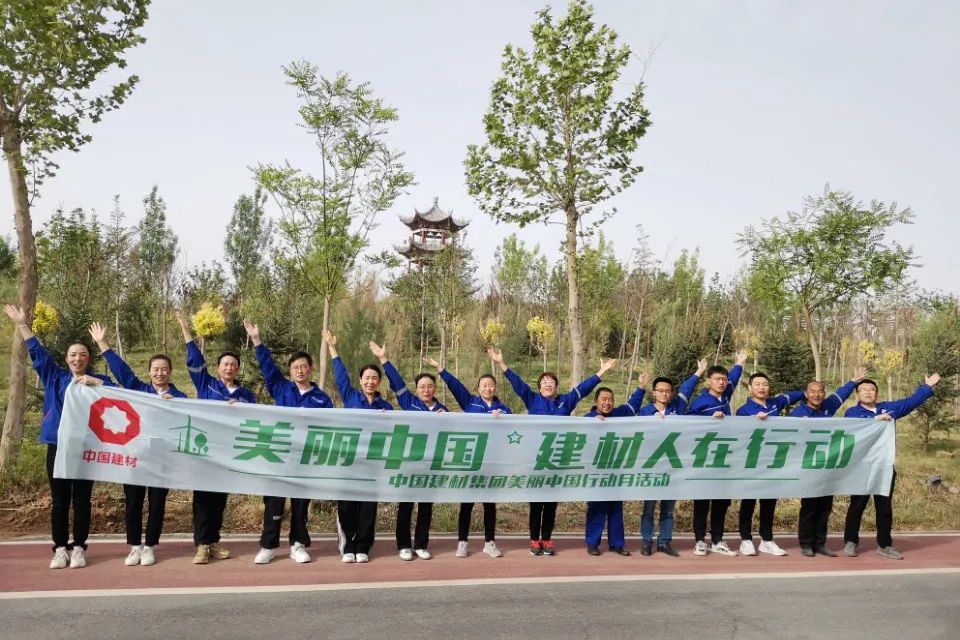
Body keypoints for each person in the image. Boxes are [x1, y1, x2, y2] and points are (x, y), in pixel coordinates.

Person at [4, 305, 115, 569]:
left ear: (88, 359)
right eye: (73, 355)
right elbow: (38, 354)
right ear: (66, 359)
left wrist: (97, 382)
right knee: (59, 501)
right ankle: (60, 549)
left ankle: (79, 548)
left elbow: (119, 393)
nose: (78, 359)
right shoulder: (56, 377)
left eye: (83, 355)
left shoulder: (97, 381)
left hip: (86, 448)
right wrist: (22, 324)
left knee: (82, 500)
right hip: (58, 446)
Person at [488, 348, 617, 557]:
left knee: (550, 505)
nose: (548, 384)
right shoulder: (532, 399)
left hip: (557, 462)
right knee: (536, 505)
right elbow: (517, 383)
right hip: (536, 462)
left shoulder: (565, 401)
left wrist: (601, 372)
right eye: (544, 382)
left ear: (556, 386)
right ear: (539, 387)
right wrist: (501, 363)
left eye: (551, 382)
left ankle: (547, 539)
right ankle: (534, 540)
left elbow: (583, 389)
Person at [89, 322, 187, 567]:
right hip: (134, 457)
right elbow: (122, 373)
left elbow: (194, 418)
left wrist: (176, 406)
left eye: (164, 369)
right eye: (156, 369)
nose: (160, 373)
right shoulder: (139, 390)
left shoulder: (180, 398)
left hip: (161, 459)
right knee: (133, 504)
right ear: (150, 371)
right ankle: (134, 547)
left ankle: (150, 546)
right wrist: (103, 344)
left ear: (170, 372)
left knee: (157, 505)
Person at [244, 319, 333, 565]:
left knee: (301, 505)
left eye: (303, 367)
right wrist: (257, 340)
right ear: (291, 371)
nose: (300, 371)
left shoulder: (322, 399)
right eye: (295, 368)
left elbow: (329, 429)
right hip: (279, 456)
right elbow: (268, 369)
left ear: (310, 369)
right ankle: (268, 546)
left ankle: (298, 544)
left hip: (305, 459)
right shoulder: (282, 389)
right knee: (274, 503)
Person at [175, 311, 256, 565]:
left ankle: (213, 541)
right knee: (202, 499)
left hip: (229, 453)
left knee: (219, 501)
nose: (229, 367)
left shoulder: (246, 395)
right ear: (218, 368)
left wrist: (241, 409)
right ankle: (201, 545)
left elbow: (255, 419)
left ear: (237, 368)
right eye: (225, 364)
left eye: (233, 364)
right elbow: (195, 360)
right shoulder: (207, 385)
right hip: (205, 451)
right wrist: (187, 332)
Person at [842, 374, 940, 560]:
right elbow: (854, 427)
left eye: (872, 389)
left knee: (884, 508)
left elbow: (910, 402)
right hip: (861, 468)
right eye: (864, 390)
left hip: (885, 467)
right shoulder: (852, 412)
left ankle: (885, 544)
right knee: (857, 506)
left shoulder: (888, 408)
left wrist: (927, 387)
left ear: (877, 394)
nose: (868, 392)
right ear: (857, 394)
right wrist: (876, 420)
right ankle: (851, 541)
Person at [425, 356, 510, 558]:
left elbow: (514, 430)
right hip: (471, 462)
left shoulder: (504, 409)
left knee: (490, 505)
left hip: (491, 464)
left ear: (495, 388)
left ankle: (489, 543)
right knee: (467, 504)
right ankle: (462, 543)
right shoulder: (470, 402)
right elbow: (455, 386)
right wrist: (440, 368)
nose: (487, 388)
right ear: (478, 388)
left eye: (491, 385)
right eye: (484, 385)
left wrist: (503, 418)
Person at [370, 341, 446, 561]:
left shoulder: (443, 410)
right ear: (416, 389)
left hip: (430, 465)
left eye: (429, 386)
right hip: (409, 464)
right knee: (405, 506)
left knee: (425, 507)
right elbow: (396, 382)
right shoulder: (409, 402)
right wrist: (383, 359)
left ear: (435, 389)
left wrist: (447, 420)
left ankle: (421, 544)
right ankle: (404, 545)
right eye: (421, 387)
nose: (426, 390)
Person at [323, 327, 393, 564]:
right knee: (346, 506)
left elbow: (395, 431)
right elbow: (340, 375)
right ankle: (348, 546)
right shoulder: (351, 397)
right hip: (348, 461)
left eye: (374, 378)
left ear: (379, 382)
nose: (370, 381)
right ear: (361, 381)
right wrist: (332, 348)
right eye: (367, 378)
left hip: (372, 464)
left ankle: (363, 546)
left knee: (367, 508)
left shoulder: (386, 408)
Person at [790, 367, 867, 557]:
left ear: (824, 394)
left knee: (825, 507)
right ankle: (806, 543)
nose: (816, 395)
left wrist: (854, 381)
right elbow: (787, 435)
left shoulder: (828, 406)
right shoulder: (798, 413)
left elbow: (841, 394)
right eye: (812, 392)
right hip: (808, 466)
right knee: (809, 507)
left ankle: (820, 543)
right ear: (806, 394)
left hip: (828, 466)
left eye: (820, 391)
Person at [636, 359, 708, 557]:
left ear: (671, 393)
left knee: (668, 508)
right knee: (649, 508)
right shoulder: (645, 412)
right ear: (654, 393)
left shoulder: (678, 408)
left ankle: (664, 542)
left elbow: (687, 389)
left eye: (668, 391)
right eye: (660, 390)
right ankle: (646, 541)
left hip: (672, 466)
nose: (664, 394)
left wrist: (699, 372)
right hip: (651, 467)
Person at [734, 372, 806, 556]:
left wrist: (807, 392)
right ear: (750, 388)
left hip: (773, 461)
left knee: (769, 502)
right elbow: (739, 435)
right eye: (757, 384)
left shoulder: (775, 404)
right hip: (752, 462)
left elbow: (794, 396)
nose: (762, 387)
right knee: (749, 502)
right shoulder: (743, 411)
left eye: (765, 384)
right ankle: (745, 539)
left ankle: (766, 540)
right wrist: (754, 422)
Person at [687, 351, 748, 557]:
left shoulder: (726, 395)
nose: (722, 382)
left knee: (721, 501)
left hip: (724, 458)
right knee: (702, 501)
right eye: (717, 379)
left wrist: (739, 363)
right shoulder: (700, 402)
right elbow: (688, 424)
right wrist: (709, 420)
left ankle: (717, 540)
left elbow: (734, 379)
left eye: (724, 379)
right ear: (708, 381)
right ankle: (699, 540)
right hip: (705, 458)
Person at [583, 374, 647, 557]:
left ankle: (616, 544)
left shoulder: (619, 415)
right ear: (596, 401)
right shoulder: (588, 419)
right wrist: (593, 422)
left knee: (616, 508)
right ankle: (592, 543)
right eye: (604, 399)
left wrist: (641, 387)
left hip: (617, 470)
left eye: (610, 399)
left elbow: (632, 406)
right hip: (596, 471)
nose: (607, 403)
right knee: (597, 508)